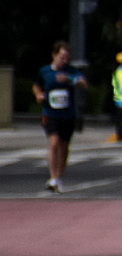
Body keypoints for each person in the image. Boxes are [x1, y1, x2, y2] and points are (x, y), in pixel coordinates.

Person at [34, 42, 87, 193]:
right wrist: (39, 94)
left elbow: (84, 83)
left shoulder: (71, 71)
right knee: (54, 143)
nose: (65, 61)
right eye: (62, 57)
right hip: (51, 114)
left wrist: (70, 80)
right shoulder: (45, 72)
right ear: (54, 55)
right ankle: (52, 177)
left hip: (68, 115)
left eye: (67, 58)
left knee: (64, 147)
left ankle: (59, 177)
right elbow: (37, 85)